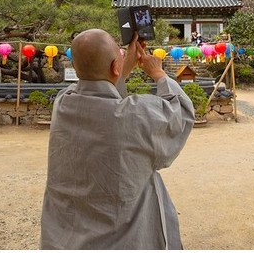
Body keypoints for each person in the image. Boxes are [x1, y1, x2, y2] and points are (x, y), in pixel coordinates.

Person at [40, 29, 195, 249]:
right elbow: (180, 113)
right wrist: (159, 74)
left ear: (74, 67)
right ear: (115, 66)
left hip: (66, 239)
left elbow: (96, 87)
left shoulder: (63, 104)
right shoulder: (134, 114)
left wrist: (122, 68)